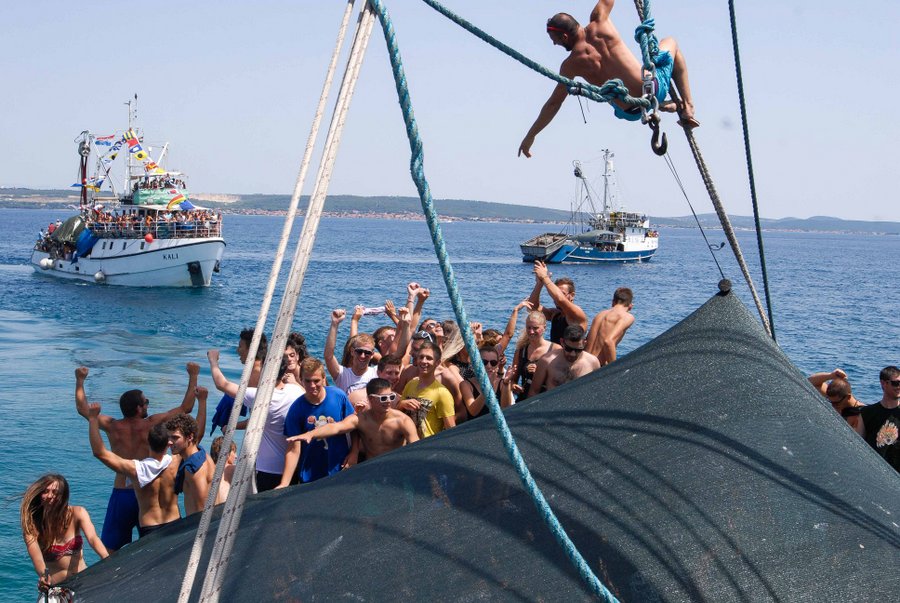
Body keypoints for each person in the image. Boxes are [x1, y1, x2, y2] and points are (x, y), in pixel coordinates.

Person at [518, 1, 698, 159]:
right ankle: (688, 108)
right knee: (671, 43)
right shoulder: (600, 19)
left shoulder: (571, 65)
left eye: (555, 40)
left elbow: (553, 104)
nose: (554, 44)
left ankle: (667, 106)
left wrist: (531, 136)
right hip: (652, 90)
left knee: (612, 95)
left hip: (630, 112)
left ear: (564, 36)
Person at [73, 364, 197, 552]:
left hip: (122, 489)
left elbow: (83, 409)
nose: (148, 404)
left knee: (111, 550)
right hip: (148, 492)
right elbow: (186, 407)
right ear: (139, 408)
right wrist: (193, 375)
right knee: (155, 546)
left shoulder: (113, 426)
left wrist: (80, 380)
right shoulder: (152, 423)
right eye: (146, 401)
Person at [88, 404, 180, 538]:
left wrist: (92, 419)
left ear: (148, 442)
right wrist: (202, 402)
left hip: (150, 527)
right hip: (175, 522)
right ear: (169, 444)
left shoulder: (136, 469)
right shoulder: (175, 463)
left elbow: (100, 452)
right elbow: (196, 437)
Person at [289, 378, 419, 462]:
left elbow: (416, 448)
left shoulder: (402, 421)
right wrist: (310, 434)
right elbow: (337, 427)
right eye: (383, 399)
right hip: (371, 469)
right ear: (371, 399)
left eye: (391, 397)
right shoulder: (361, 419)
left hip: (395, 468)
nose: (389, 402)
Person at [20, 474, 108, 597]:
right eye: (45, 491)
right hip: (55, 589)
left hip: (83, 583)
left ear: (63, 496)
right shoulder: (32, 526)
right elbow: (37, 558)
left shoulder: (77, 513)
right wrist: (43, 576)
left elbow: (93, 539)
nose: (50, 496)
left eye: (55, 492)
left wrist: (107, 558)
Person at [278, 358, 356, 487]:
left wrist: (354, 452)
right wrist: (284, 483)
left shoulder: (338, 396)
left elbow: (354, 426)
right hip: (310, 475)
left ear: (324, 378)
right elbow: (293, 450)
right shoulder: (296, 409)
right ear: (301, 380)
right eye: (307, 381)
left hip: (339, 468)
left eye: (316, 381)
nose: (312, 386)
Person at [231, 357, 304, 492]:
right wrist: (295, 382)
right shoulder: (295, 391)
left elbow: (221, 384)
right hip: (291, 467)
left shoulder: (259, 396)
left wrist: (213, 362)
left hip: (266, 468)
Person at [209, 329, 267, 433]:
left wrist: (213, 360)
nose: (237, 350)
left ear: (251, 350)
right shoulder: (260, 368)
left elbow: (258, 419)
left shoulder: (256, 373)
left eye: (240, 346)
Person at [165, 392, 213, 516]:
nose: (169, 442)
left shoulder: (193, 469)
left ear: (190, 437)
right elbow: (199, 432)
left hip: (198, 529)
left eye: (175, 438)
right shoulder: (202, 454)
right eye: (169, 437)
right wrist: (202, 401)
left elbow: (202, 509)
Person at [400, 341, 457, 438]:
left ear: (437, 363)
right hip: (408, 444)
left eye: (429, 358)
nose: (424, 361)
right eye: (421, 357)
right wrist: (402, 404)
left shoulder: (442, 393)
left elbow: (451, 430)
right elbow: (398, 412)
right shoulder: (410, 384)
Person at [529, 325, 600, 396]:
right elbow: (534, 392)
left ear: (584, 343)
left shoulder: (593, 363)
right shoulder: (547, 361)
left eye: (578, 350)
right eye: (569, 349)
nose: (573, 354)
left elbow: (596, 391)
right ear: (562, 342)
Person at [528, 261, 588, 344]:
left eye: (562, 293)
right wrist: (540, 282)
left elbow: (560, 299)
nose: (556, 296)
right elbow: (532, 307)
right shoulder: (555, 314)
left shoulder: (577, 314)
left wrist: (545, 277)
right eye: (557, 291)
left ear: (572, 295)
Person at [854, 366, 900, 472]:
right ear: (884, 383)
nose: (899, 387)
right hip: (873, 473)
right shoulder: (866, 413)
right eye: (895, 383)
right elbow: (857, 444)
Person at [324, 309, 379, 393]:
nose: (362, 356)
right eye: (359, 351)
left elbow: (398, 358)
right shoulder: (342, 374)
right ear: (352, 352)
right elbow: (328, 356)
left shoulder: (377, 373)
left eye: (367, 353)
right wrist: (334, 324)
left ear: (372, 355)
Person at [510, 310, 559, 402]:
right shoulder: (521, 351)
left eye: (535, 328)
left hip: (547, 400)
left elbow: (562, 378)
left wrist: (541, 372)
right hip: (525, 400)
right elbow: (513, 380)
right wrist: (513, 386)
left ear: (544, 328)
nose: (531, 331)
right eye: (528, 328)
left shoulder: (555, 350)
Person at [460, 345, 515, 420]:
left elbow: (505, 410)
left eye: (493, 362)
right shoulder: (466, 384)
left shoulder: (502, 383)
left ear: (497, 364)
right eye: (484, 362)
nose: (489, 366)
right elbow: (473, 411)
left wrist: (506, 383)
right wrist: (488, 387)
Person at [586, 287, 635, 365]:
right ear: (630, 306)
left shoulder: (600, 314)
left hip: (584, 362)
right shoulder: (627, 317)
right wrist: (613, 369)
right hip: (597, 367)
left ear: (613, 302)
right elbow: (608, 341)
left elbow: (587, 341)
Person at [209, 436, 237, 505]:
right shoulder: (231, 468)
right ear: (227, 454)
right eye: (234, 452)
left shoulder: (208, 470)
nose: (236, 456)